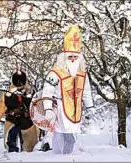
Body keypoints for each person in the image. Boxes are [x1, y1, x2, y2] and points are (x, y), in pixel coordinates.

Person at [41, 25, 94, 154]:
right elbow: (47, 90)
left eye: (75, 57)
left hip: (76, 109)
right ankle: (62, 157)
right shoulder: (56, 72)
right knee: (63, 135)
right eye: (70, 57)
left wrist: (90, 105)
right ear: (64, 57)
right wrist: (47, 108)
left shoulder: (82, 72)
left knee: (72, 135)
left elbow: (86, 90)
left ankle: (69, 155)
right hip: (60, 108)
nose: (73, 59)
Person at [0, 71, 39, 152]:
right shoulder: (30, 92)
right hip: (19, 122)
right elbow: (0, 107)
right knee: (21, 148)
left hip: (21, 122)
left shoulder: (29, 92)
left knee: (26, 149)